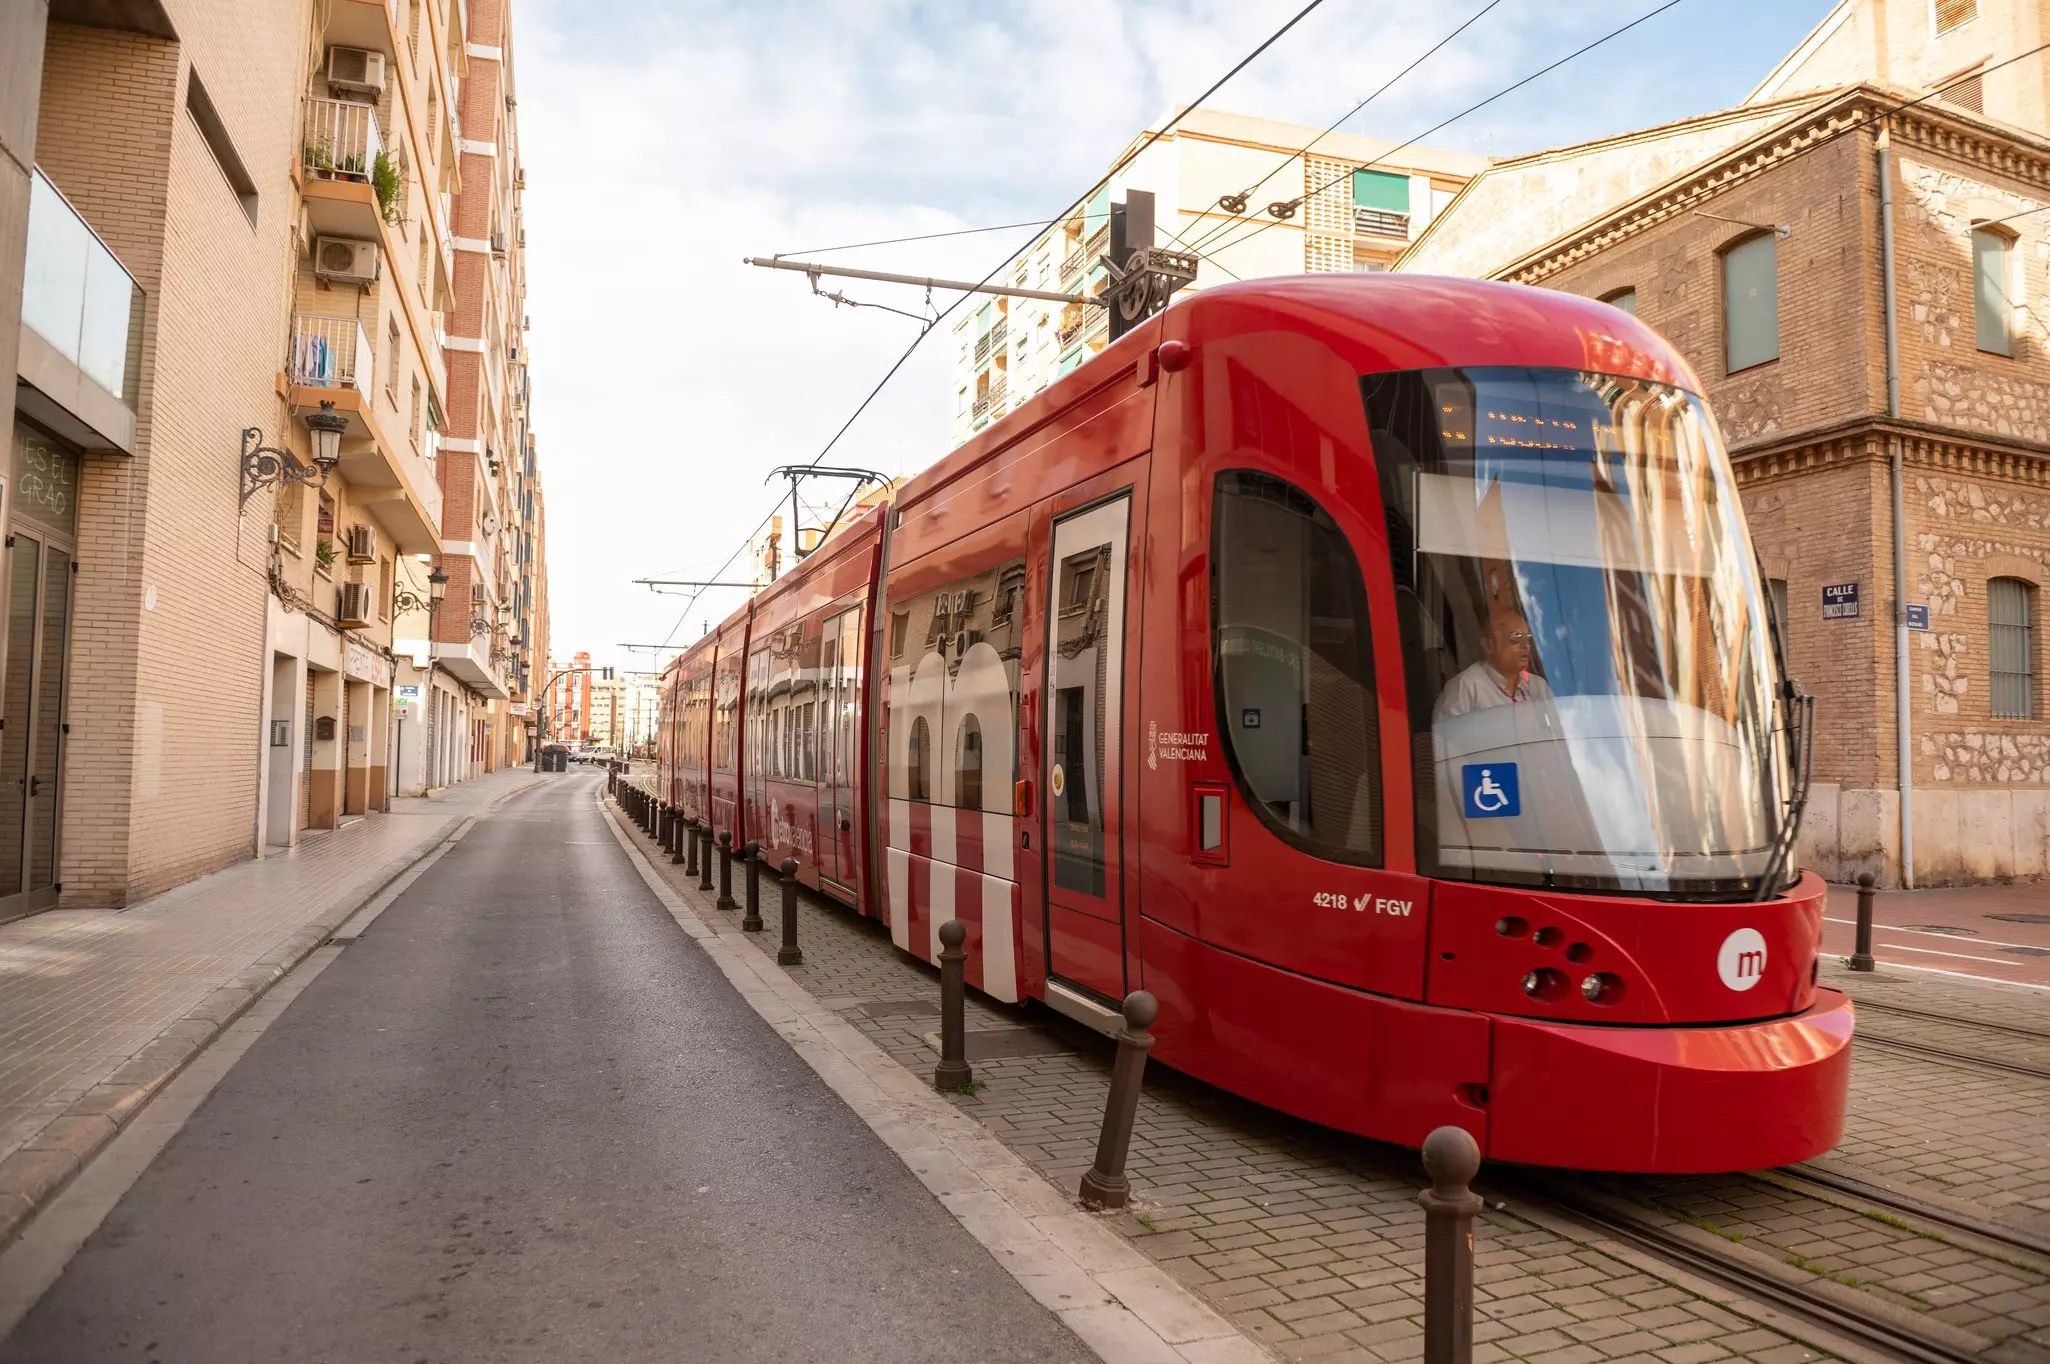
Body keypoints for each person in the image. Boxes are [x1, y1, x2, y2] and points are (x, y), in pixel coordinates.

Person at [1436, 607, 1554, 720]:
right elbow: (1448, 739)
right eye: (1516, 638)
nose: (1526, 646)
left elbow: (1557, 733)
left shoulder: (1539, 687)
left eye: (1528, 639)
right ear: (1489, 645)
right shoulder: (1466, 687)